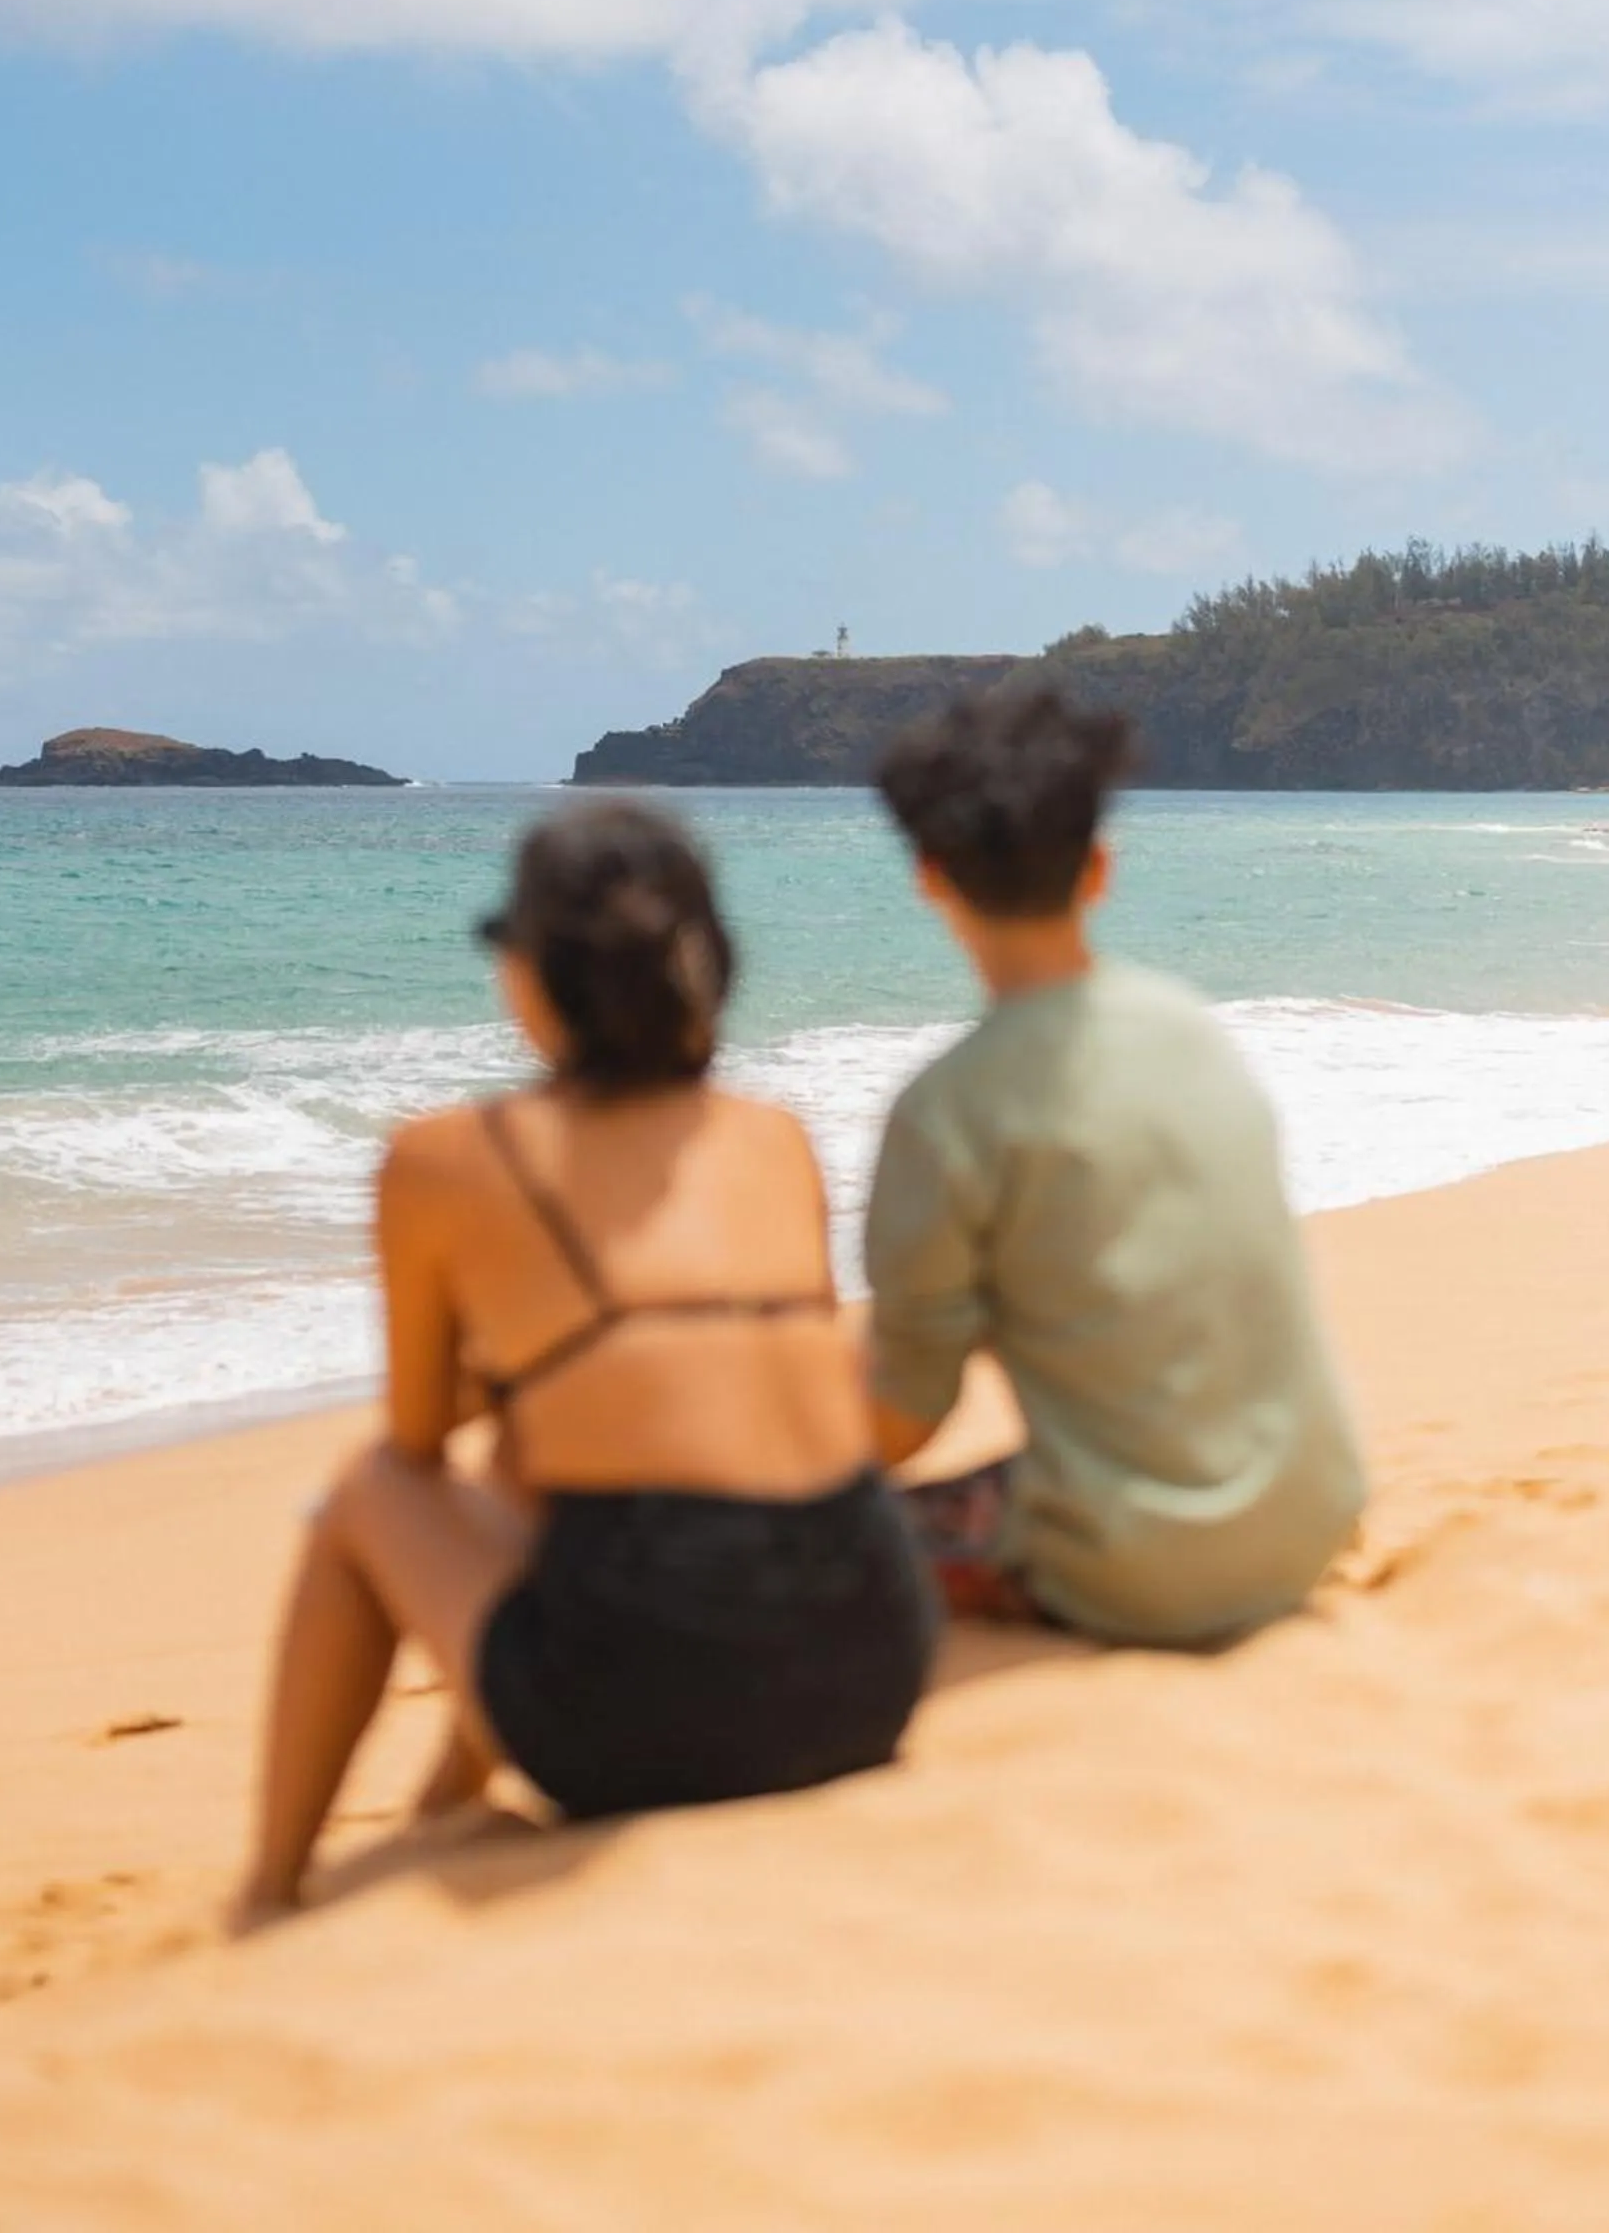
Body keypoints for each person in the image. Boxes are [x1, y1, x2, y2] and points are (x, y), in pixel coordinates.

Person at [238, 801, 933, 1918]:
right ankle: (442, 1810)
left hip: (651, 1713)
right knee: (542, 1447)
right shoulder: (773, 1137)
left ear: (534, 974)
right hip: (868, 1661)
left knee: (371, 1493)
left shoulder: (447, 1158)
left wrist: (519, 1368)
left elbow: (416, 1443)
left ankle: (269, 1889)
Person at [864, 684, 1365, 1645]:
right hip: (1313, 1515)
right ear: (1100, 869)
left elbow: (907, 1414)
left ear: (930, 878)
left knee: (820, 1534)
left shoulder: (946, 1110)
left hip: (1145, 1573)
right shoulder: (1193, 1030)